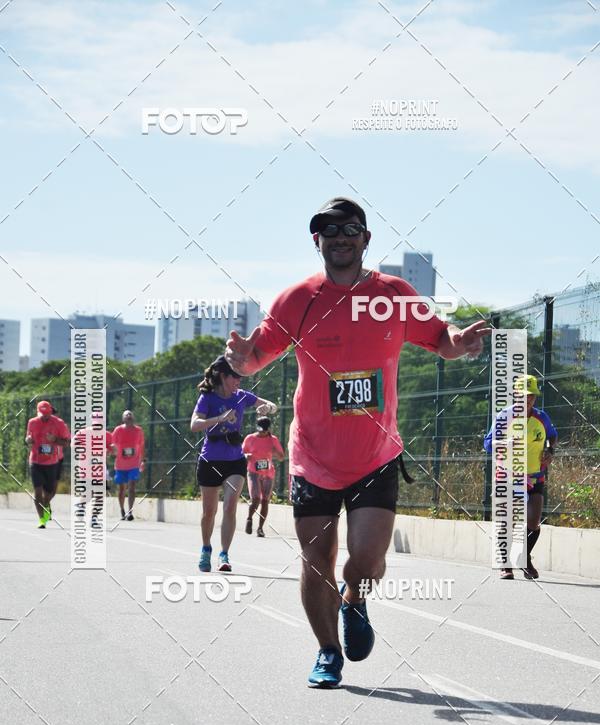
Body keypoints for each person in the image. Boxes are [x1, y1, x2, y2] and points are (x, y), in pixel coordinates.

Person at [226, 196, 490, 687]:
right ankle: (328, 651)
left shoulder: (392, 294)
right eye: (329, 230)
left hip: (375, 455)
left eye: (350, 229)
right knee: (316, 560)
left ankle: (355, 598)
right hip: (313, 456)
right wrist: (243, 359)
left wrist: (460, 342)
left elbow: (441, 339)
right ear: (317, 241)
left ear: (366, 238)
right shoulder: (297, 299)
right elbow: (257, 355)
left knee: (366, 562)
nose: (340, 237)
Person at [190, 355, 277, 573]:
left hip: (235, 461)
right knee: (209, 512)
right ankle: (206, 548)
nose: (238, 381)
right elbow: (194, 424)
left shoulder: (241, 396)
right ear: (222, 376)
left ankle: (224, 554)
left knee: (230, 506)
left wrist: (266, 408)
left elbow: (272, 405)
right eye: (235, 377)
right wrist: (218, 419)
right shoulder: (208, 398)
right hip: (210, 459)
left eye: (240, 377)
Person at [484, 373, 557, 580]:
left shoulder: (542, 417)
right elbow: (488, 443)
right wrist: (505, 444)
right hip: (507, 476)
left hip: (535, 476)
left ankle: (524, 558)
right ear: (515, 395)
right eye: (524, 395)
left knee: (533, 521)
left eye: (531, 395)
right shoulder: (504, 416)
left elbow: (552, 435)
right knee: (508, 520)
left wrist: (550, 450)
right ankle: (505, 564)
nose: (528, 399)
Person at [25, 400, 71, 528]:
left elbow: (67, 442)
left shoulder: (59, 423)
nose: (45, 417)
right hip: (35, 461)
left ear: (51, 412)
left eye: (47, 414)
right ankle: (42, 520)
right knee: (38, 491)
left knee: (49, 493)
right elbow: (28, 439)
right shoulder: (32, 422)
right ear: (38, 412)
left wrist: (54, 439)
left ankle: (46, 506)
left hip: (52, 462)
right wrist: (28, 440)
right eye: (42, 414)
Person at [242, 417, 285, 536]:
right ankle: (249, 518)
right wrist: (246, 456)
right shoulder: (250, 438)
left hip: (268, 473)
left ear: (268, 429)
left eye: (265, 431)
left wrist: (275, 452)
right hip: (253, 472)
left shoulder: (273, 440)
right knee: (256, 499)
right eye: (261, 430)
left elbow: (281, 457)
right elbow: (241, 452)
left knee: (265, 500)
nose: (262, 433)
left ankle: (260, 528)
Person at [110, 410, 145, 521]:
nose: (129, 416)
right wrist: (113, 450)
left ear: (133, 418)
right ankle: (122, 510)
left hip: (134, 464)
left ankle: (130, 511)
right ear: (123, 419)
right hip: (121, 465)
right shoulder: (118, 430)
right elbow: (112, 443)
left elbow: (141, 445)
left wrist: (143, 460)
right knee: (122, 489)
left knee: (132, 487)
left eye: (130, 414)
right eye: (126, 415)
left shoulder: (138, 430)